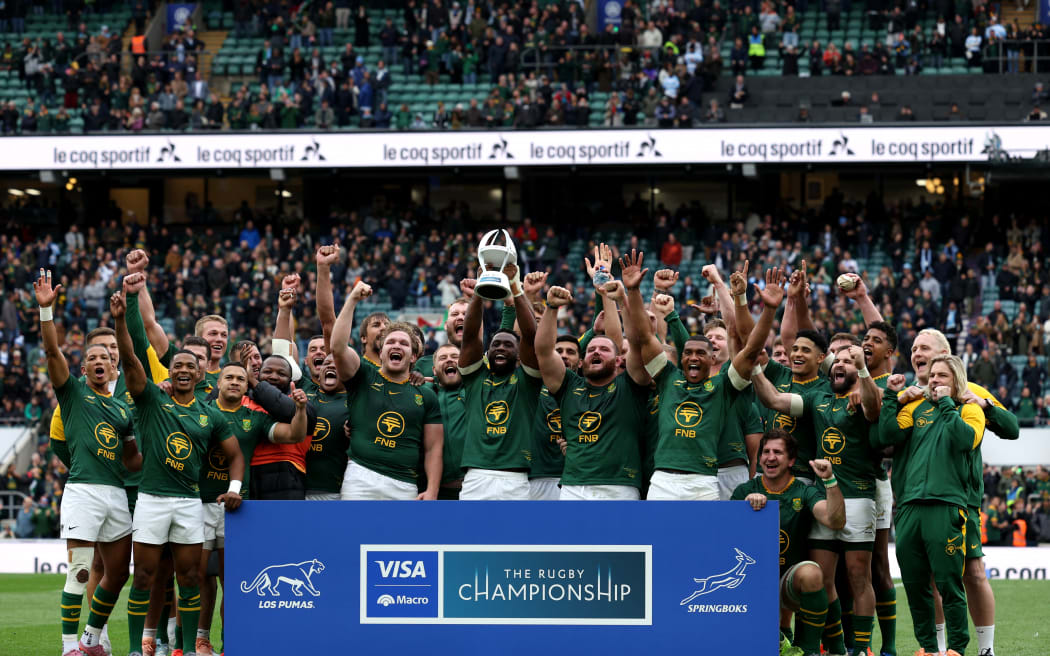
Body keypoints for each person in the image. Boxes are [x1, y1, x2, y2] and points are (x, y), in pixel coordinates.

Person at [112, 274, 246, 656]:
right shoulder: (153, 400)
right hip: (152, 500)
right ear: (171, 371)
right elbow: (132, 358)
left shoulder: (211, 416)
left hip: (190, 502)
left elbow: (236, 456)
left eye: (192, 365)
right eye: (179, 364)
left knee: (190, 578)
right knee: (146, 578)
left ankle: (187, 650)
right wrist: (123, 320)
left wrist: (234, 490)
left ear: (203, 375)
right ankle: (138, 649)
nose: (184, 369)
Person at [35, 268, 141, 656]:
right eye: (92, 357)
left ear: (114, 369)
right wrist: (47, 312)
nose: (100, 361)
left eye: (105, 358)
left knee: (116, 574)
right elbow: (51, 352)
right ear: (83, 369)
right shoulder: (74, 394)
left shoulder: (122, 410)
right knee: (81, 570)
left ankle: (92, 641)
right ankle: (68, 648)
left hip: (117, 496)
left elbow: (132, 462)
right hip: (83, 492)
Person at [754, 344, 882, 656]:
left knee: (858, 577)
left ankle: (861, 647)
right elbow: (773, 399)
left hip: (859, 496)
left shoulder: (865, 395)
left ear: (859, 369)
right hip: (826, 495)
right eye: (837, 361)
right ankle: (836, 646)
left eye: (849, 362)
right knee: (822, 578)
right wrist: (755, 367)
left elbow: (874, 409)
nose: (841, 365)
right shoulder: (818, 398)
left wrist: (864, 374)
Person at [624, 252, 784, 501]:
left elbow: (751, 349)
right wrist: (633, 291)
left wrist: (770, 310)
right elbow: (644, 336)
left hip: (704, 482)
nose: (693, 357)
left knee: (705, 541)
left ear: (713, 359)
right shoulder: (667, 378)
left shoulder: (723, 385)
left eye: (701, 353)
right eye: (688, 353)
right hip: (662, 480)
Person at [909, 328, 1018, 656]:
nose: (917, 353)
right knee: (929, 578)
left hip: (960, 500)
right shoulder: (909, 395)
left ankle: (986, 650)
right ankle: (940, 650)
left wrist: (984, 403)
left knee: (972, 572)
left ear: (945, 353)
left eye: (925, 347)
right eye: (914, 348)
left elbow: (1011, 428)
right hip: (918, 501)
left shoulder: (970, 390)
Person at [877, 356, 986, 656]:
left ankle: (957, 649)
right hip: (910, 506)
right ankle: (927, 648)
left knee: (949, 584)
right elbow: (886, 435)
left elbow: (966, 441)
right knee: (914, 585)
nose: (934, 380)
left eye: (943, 376)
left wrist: (948, 405)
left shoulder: (971, 410)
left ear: (957, 380)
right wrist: (890, 396)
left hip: (947, 505)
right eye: (932, 375)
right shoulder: (916, 408)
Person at [197, 361, 307, 653]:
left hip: (235, 510)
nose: (234, 382)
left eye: (240, 379)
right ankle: (196, 640)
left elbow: (294, 435)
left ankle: (229, 643)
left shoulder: (254, 418)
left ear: (247, 387)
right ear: (217, 384)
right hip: (196, 504)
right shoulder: (200, 412)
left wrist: (299, 410)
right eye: (228, 377)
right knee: (193, 579)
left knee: (231, 582)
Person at [536, 275, 649, 500]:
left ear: (619, 361)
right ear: (581, 361)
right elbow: (544, 352)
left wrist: (622, 301)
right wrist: (550, 308)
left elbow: (637, 343)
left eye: (604, 349)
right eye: (591, 349)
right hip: (573, 486)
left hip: (619, 486)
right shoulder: (569, 385)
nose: (596, 351)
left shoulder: (631, 384)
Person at [733, 430, 845, 656]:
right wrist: (742, 509)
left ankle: (809, 649)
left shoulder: (803, 491)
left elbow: (835, 520)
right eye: (765, 452)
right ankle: (776, 637)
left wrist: (830, 481)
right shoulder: (745, 491)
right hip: (749, 584)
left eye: (778, 452)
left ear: (791, 460)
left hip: (786, 583)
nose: (770, 457)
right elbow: (723, 537)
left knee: (812, 573)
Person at [331, 281, 443, 500]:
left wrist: (432, 489)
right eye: (391, 342)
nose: (396, 346)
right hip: (360, 477)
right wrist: (353, 299)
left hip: (404, 483)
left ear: (413, 357)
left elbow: (434, 448)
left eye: (404, 343)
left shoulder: (426, 394)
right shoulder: (363, 375)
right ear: (381, 352)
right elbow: (337, 348)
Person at [457, 259, 541, 500]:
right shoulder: (474, 377)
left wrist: (515, 285)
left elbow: (530, 335)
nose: (501, 348)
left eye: (508, 345)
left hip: (514, 479)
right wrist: (479, 292)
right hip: (475, 477)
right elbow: (470, 335)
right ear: (488, 351)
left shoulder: (527, 379)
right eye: (495, 345)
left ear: (518, 355)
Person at [303, 354, 349, 500]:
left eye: (337, 364)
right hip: (299, 488)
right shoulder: (304, 395)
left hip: (336, 491)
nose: (330, 365)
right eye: (326, 363)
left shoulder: (356, 402)